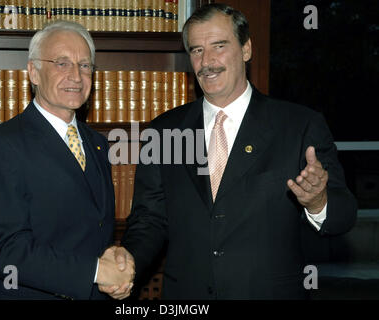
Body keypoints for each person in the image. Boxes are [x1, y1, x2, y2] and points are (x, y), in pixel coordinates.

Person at [114, 4, 357, 299]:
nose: (207, 61)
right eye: (197, 50)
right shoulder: (163, 130)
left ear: (246, 49)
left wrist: (318, 201)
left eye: (219, 46)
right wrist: (128, 262)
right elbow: (149, 221)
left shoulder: (299, 126)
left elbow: (343, 216)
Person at [0, 20, 134, 300]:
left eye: (85, 65)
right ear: (34, 72)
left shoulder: (97, 143)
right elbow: (4, 251)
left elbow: (93, 230)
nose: (76, 75)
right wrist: (94, 272)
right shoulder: (1, 145)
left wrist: (112, 258)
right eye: (62, 63)